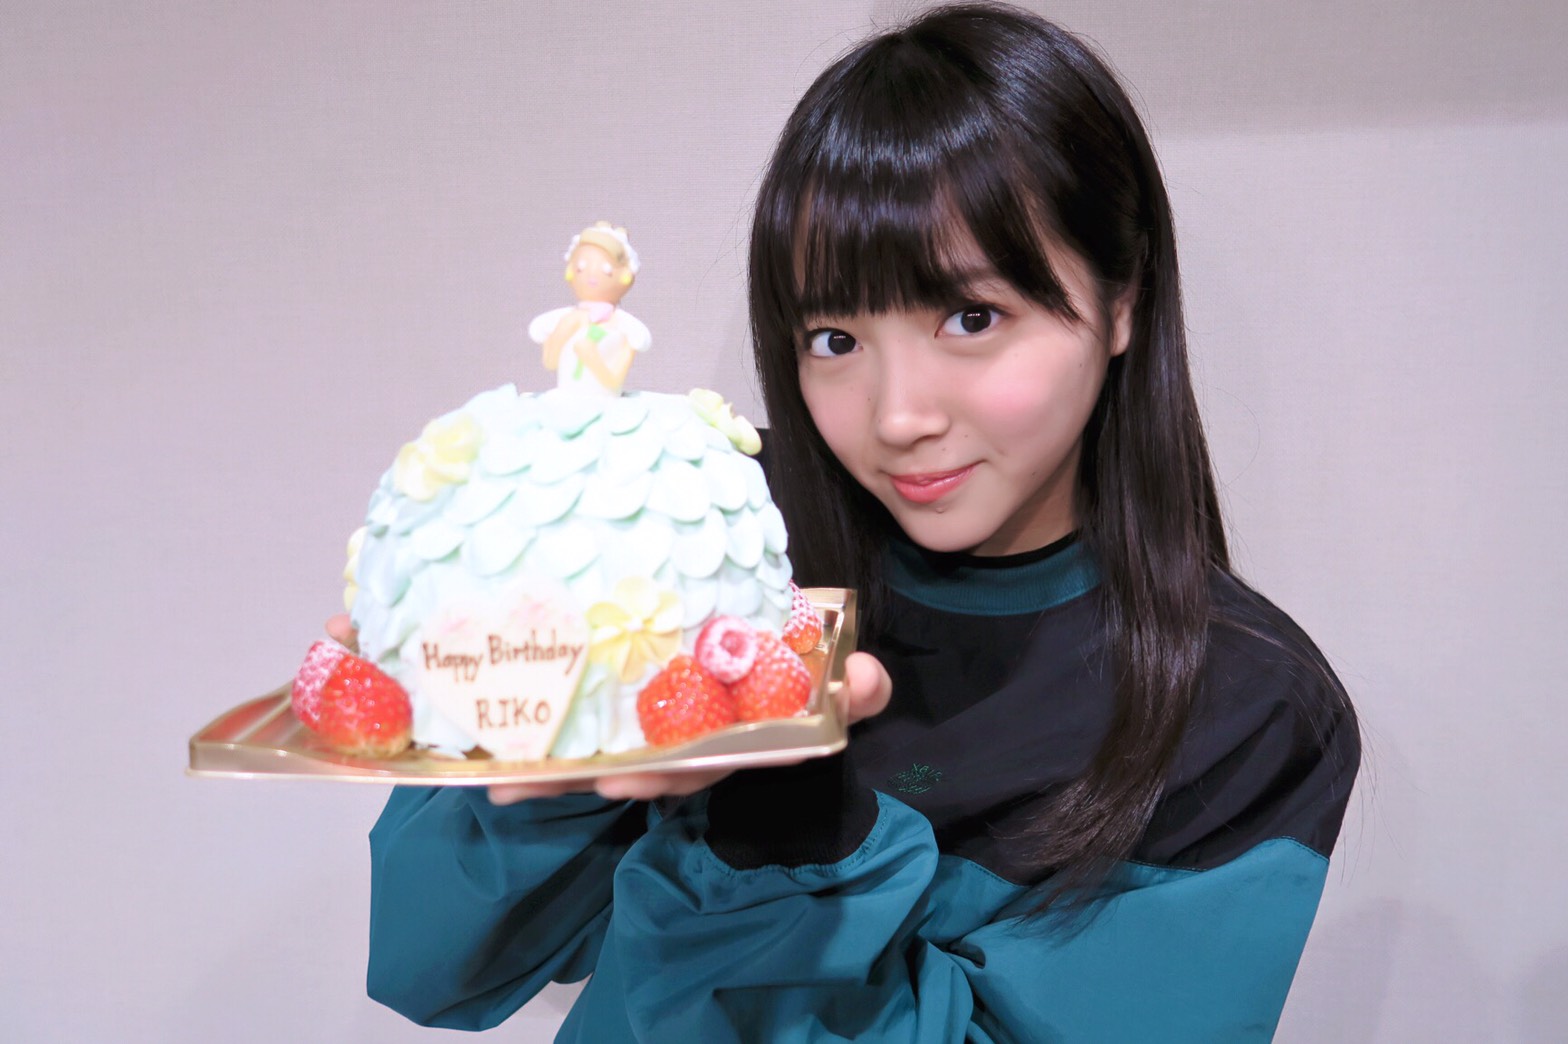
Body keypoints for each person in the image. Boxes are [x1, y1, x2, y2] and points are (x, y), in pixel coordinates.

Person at [362, 4, 1360, 1040]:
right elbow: (433, 964)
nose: (896, 417)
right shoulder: (717, 552)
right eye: (834, 338)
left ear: (1120, 303)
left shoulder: (1241, 713)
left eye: (971, 318)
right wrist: (550, 738)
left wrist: (781, 807)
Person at [528, 221, 651, 396]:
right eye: (580, 269)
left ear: (625, 275)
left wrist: (590, 355)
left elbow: (614, 382)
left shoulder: (626, 328)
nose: (592, 275)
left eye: (606, 270)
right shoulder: (566, 318)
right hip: (565, 402)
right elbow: (550, 362)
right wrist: (565, 328)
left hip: (606, 404)